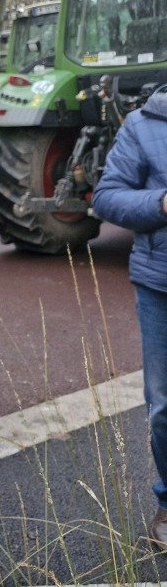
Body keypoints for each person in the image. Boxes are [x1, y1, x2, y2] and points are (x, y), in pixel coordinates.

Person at [92, 89, 167, 552]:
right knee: (164, 407)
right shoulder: (143, 123)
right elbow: (107, 198)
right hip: (162, 286)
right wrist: (161, 204)